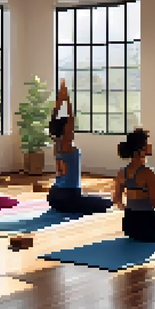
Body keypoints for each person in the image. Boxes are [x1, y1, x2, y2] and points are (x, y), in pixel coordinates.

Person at [47, 80, 113, 214]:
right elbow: (70, 120)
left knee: (97, 200)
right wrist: (67, 100)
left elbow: (53, 121)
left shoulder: (57, 143)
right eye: (70, 129)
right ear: (66, 130)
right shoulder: (66, 144)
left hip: (54, 196)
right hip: (69, 196)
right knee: (107, 203)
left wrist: (60, 102)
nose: (72, 130)